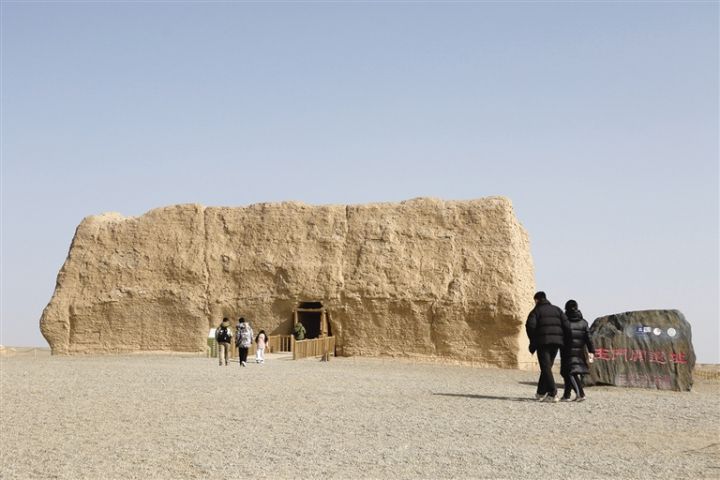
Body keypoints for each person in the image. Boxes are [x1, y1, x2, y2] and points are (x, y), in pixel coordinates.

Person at [525, 291, 570, 402]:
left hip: (543, 342)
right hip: (556, 343)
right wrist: (564, 339)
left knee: (545, 367)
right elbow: (567, 325)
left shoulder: (536, 311)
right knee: (547, 367)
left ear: (536, 300)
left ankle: (552, 393)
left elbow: (530, 326)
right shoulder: (557, 310)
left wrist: (534, 340)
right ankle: (541, 392)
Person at [560, 299, 596, 402]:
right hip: (579, 351)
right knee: (567, 372)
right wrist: (591, 351)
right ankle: (566, 395)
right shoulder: (584, 323)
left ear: (566, 308)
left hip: (566, 351)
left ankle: (580, 394)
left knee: (570, 373)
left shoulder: (564, 322)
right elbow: (589, 338)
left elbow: (560, 336)